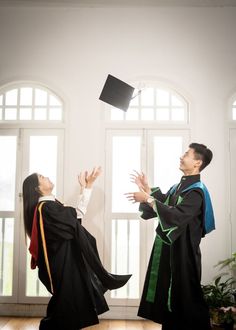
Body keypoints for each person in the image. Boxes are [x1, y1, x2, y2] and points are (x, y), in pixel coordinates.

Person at [22, 167, 131, 330]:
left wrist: (85, 187)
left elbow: (73, 219)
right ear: (37, 188)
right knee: (66, 303)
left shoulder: (49, 205)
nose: (47, 177)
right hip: (61, 262)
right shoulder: (46, 208)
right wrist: (87, 187)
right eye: (42, 177)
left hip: (63, 260)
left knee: (69, 302)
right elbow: (76, 216)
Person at [126, 143, 215, 330]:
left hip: (184, 253)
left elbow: (176, 216)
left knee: (186, 297)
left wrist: (148, 199)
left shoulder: (197, 191)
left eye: (186, 154)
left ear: (197, 162)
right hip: (171, 250)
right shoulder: (180, 186)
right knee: (170, 295)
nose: (181, 157)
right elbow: (166, 203)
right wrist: (148, 189)